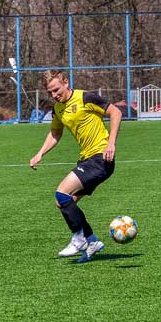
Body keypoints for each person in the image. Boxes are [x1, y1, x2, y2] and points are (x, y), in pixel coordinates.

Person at [30, 70, 122, 263]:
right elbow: (55, 132)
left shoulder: (86, 98)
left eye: (56, 90)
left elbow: (116, 112)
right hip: (86, 160)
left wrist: (111, 143)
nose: (54, 95)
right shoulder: (58, 108)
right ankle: (92, 240)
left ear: (66, 83)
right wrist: (40, 153)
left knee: (61, 193)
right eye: (50, 92)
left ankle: (78, 238)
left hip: (100, 158)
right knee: (63, 201)